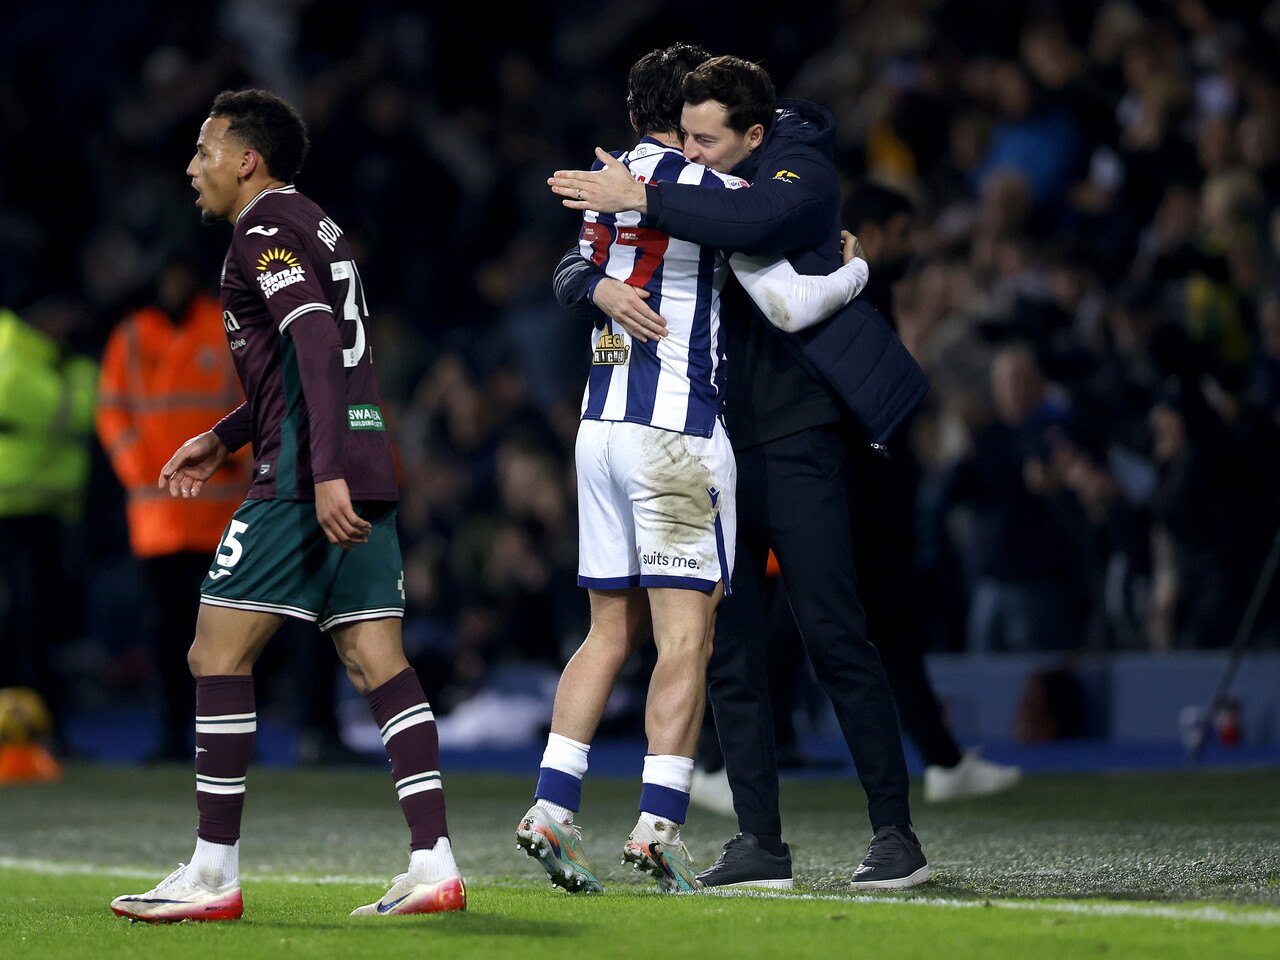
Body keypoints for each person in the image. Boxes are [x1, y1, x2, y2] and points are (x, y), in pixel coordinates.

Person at [550, 55, 931, 890]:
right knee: (730, 654)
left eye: (706, 138)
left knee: (834, 634)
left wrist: (644, 195)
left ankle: (895, 834)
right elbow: (585, 257)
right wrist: (595, 282)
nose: (690, 150)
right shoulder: (699, 189)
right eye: (681, 135)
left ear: (752, 135)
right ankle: (760, 842)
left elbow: (762, 225)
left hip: (795, 442)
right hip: (708, 443)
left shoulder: (792, 173)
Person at [109, 89, 465, 922]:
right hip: (365, 462)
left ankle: (212, 872)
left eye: (204, 151)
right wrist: (226, 434)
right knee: (379, 663)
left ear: (246, 159)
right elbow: (314, 356)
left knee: (213, 653)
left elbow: (311, 339)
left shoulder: (261, 228)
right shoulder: (318, 223)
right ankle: (434, 861)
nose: (191, 167)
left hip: (308, 475)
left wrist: (322, 469)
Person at [843, 183, 1021, 802]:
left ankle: (942, 760)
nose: (910, 246)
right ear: (868, 231)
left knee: (875, 625)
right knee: (828, 624)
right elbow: (878, 391)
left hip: (867, 489)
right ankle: (709, 757)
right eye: (899, 232)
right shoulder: (847, 289)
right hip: (851, 490)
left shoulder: (873, 291)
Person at [96, 257, 251, 762]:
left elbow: (257, 396)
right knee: (167, 638)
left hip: (216, 516)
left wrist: (239, 456)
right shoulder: (135, 336)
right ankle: (172, 735)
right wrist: (143, 469)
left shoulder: (223, 326)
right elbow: (112, 409)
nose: (176, 282)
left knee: (227, 639)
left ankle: (224, 738)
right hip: (161, 518)